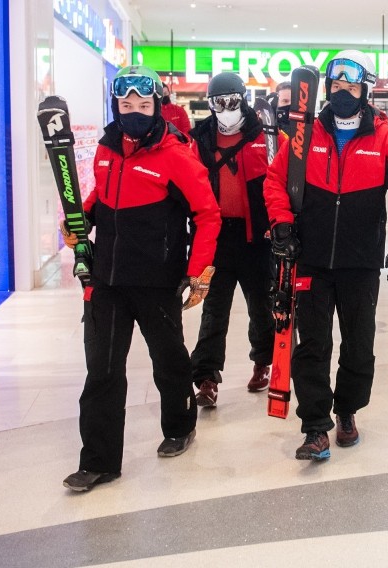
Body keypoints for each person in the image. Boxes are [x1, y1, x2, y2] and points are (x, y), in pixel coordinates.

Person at [61, 65, 222, 492]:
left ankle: (180, 424)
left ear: (157, 107)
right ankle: (99, 461)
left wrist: (198, 271)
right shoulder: (106, 148)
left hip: (156, 278)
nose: (133, 111)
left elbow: (207, 215)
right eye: (126, 105)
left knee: (168, 360)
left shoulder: (176, 154)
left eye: (143, 105)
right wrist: (81, 221)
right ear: (115, 105)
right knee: (102, 371)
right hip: (106, 278)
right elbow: (101, 194)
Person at [263, 50, 388, 461]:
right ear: (326, 89)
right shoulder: (305, 135)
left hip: (361, 264)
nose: (343, 93)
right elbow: (275, 181)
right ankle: (315, 426)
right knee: (312, 345)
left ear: (365, 89)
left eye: (351, 86)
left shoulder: (384, 139)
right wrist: (281, 223)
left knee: (358, 344)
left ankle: (347, 410)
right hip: (311, 259)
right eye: (336, 86)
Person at [188, 72, 275, 408]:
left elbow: (283, 179)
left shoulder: (266, 135)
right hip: (217, 237)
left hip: (257, 237)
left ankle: (263, 362)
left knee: (262, 306)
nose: (226, 109)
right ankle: (206, 377)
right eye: (219, 103)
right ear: (210, 105)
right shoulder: (200, 140)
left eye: (232, 102)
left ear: (244, 101)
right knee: (213, 309)